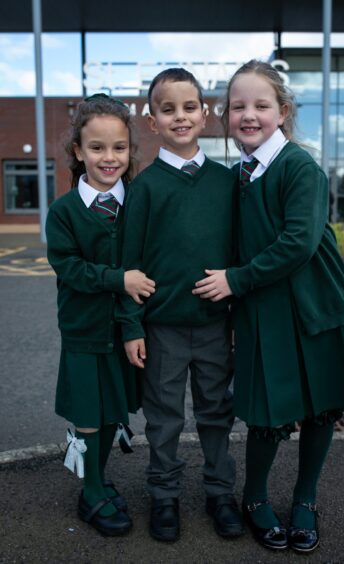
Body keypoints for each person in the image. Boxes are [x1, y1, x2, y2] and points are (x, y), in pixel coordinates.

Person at [192, 60, 344, 553]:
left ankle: (305, 499)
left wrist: (236, 280)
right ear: (226, 116)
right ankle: (254, 498)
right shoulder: (238, 175)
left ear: (282, 111)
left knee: (318, 408)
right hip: (263, 310)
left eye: (261, 105)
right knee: (266, 412)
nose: (249, 115)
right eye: (238, 107)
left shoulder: (300, 166)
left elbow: (298, 244)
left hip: (314, 307)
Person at [117, 68, 244, 542]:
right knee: (164, 419)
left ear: (205, 113)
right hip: (162, 329)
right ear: (152, 121)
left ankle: (219, 492)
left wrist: (239, 314)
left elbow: (239, 256)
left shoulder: (226, 182)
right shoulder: (145, 187)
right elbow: (130, 263)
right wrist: (132, 326)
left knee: (216, 413)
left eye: (189, 107)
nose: (180, 117)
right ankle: (164, 496)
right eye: (168, 109)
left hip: (215, 325)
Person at [46, 94, 155, 537]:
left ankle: (98, 476)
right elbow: (69, 268)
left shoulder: (138, 204)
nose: (108, 158)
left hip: (125, 330)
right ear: (78, 151)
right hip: (84, 329)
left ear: (130, 150)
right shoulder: (64, 212)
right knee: (88, 412)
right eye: (97, 148)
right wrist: (119, 280)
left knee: (114, 411)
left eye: (118, 148)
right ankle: (90, 491)